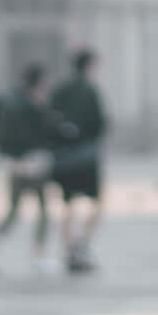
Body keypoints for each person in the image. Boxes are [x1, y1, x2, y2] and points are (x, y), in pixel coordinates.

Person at [0, 61, 58, 275]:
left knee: (14, 210)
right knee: (42, 211)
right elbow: (44, 132)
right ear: (39, 82)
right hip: (32, 163)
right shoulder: (32, 106)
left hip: (15, 164)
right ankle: (38, 254)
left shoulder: (11, 102)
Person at [51, 47, 108, 275]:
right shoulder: (90, 91)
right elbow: (100, 124)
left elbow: (50, 118)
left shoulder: (60, 90)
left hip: (64, 156)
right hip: (86, 155)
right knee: (96, 203)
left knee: (68, 204)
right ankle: (82, 245)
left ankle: (69, 249)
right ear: (89, 66)